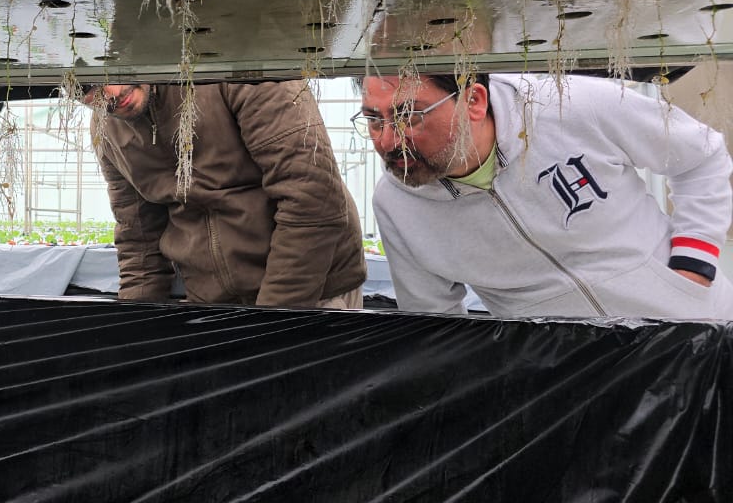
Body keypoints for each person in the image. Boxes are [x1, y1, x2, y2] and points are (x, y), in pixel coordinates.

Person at [358, 71, 733, 318]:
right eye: (374, 119)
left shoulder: (569, 106)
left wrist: (693, 265)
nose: (388, 141)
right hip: (575, 379)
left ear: (474, 100)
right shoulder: (396, 206)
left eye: (410, 115)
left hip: (698, 327)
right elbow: (435, 324)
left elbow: (701, 156)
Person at [82, 80, 368, 308]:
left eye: (113, 72)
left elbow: (312, 199)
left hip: (311, 295)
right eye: (86, 87)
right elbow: (139, 239)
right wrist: (135, 334)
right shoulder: (107, 132)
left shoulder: (241, 74)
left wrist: (271, 321)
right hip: (214, 305)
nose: (112, 92)